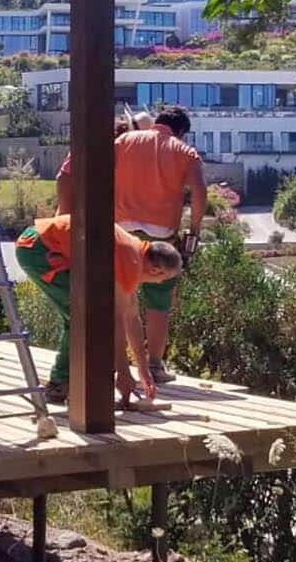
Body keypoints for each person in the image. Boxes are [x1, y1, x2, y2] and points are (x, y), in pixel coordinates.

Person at [56, 106, 208, 385]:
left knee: (120, 299)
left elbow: (86, 171)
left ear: (157, 123)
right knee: (159, 300)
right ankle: (155, 366)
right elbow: (199, 192)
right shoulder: (185, 152)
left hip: (120, 233)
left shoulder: (122, 141)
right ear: (181, 132)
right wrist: (194, 232)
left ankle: (115, 364)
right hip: (161, 234)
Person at [16, 214, 184, 405]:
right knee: (83, 317)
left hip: (39, 242)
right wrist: (123, 372)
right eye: (162, 279)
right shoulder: (130, 260)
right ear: (156, 270)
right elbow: (117, 322)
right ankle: (60, 383)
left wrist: (143, 370)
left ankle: (68, 380)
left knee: (88, 315)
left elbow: (131, 317)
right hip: (39, 249)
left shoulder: (134, 253)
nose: (159, 282)